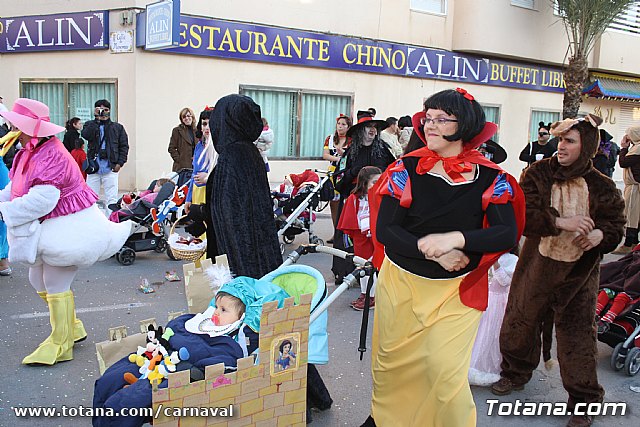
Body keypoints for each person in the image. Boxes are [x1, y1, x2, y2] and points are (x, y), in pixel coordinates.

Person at [364, 88, 525, 427]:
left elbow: (506, 234)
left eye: (441, 119)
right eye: (428, 118)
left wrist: (458, 239)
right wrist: (433, 252)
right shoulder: (404, 169)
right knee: (391, 367)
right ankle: (384, 420)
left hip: (457, 292)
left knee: (443, 372)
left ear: (464, 125)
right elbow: (386, 231)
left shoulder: (493, 178)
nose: (430, 125)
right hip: (402, 284)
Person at [493, 114, 625, 427]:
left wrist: (599, 236)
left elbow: (616, 227)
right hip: (537, 266)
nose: (561, 146)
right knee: (520, 320)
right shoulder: (538, 173)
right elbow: (523, 214)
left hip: (578, 275)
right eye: (561, 139)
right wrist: (561, 222)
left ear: (587, 146)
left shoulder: (602, 185)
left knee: (577, 337)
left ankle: (585, 400)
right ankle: (515, 372)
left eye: (570, 141)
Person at [0, 98, 132, 366]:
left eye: (17, 123)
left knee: (54, 280)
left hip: (69, 227)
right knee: (38, 280)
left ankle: (61, 343)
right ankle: (72, 327)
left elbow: (43, 198)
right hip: (52, 226)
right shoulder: (30, 151)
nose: (11, 127)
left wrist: (7, 210)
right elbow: (17, 186)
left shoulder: (51, 154)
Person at [92, 275, 288, 427]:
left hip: (180, 373)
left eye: (224, 310)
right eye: (217, 306)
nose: (216, 313)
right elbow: (176, 326)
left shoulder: (230, 343)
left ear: (240, 317)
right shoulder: (200, 321)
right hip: (158, 358)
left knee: (126, 403)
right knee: (109, 380)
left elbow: (219, 362)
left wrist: (190, 363)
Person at [209, 94, 282, 278]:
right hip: (258, 253)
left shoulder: (231, 156)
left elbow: (226, 210)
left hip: (239, 259)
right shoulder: (249, 152)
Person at [332, 110, 394, 284]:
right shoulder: (350, 153)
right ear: (360, 131)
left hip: (379, 204)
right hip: (354, 203)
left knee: (377, 239)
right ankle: (347, 273)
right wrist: (354, 171)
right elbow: (338, 181)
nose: (372, 130)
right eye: (368, 127)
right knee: (351, 240)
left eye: (374, 127)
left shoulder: (384, 151)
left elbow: (396, 175)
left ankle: (377, 275)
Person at [468, 252, 518, 386]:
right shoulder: (485, 255)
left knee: (491, 334)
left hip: (498, 302)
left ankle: (488, 368)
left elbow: (504, 281)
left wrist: (495, 264)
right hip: (483, 298)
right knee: (477, 333)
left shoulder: (513, 260)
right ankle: (471, 366)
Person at [337, 166, 381, 310]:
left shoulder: (383, 196)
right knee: (363, 267)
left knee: (374, 266)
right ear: (364, 183)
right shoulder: (355, 198)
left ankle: (371, 296)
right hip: (361, 237)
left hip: (378, 236)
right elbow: (350, 218)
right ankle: (366, 294)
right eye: (374, 182)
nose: (378, 185)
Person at [82, 99, 129, 212]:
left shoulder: (117, 127)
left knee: (111, 199)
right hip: (94, 167)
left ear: (109, 111)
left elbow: (124, 146)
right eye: (100, 109)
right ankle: (91, 222)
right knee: (90, 198)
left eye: (105, 110)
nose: (103, 112)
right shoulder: (90, 124)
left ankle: (111, 222)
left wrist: (120, 163)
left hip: (111, 166)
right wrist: (97, 120)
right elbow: (86, 135)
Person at [322, 114, 352, 235]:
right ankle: (336, 233)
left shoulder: (352, 139)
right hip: (333, 172)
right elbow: (325, 155)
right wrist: (337, 158)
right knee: (333, 203)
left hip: (347, 173)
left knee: (346, 204)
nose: (340, 127)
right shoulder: (330, 138)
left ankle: (345, 233)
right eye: (339, 124)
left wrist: (344, 154)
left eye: (343, 124)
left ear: (348, 126)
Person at [613, 126, 640, 255]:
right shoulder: (636, 148)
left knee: (631, 214)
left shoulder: (638, 149)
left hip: (635, 188)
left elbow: (623, 162)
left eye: (628, 134)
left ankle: (628, 243)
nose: (626, 137)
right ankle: (634, 241)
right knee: (634, 214)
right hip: (633, 187)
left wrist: (624, 147)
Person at [168, 107, 196, 173]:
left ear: (192, 117)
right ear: (182, 119)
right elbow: (171, 148)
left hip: (195, 166)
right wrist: (180, 160)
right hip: (181, 167)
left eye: (188, 116)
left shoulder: (197, 130)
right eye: (184, 117)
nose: (186, 118)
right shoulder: (177, 130)